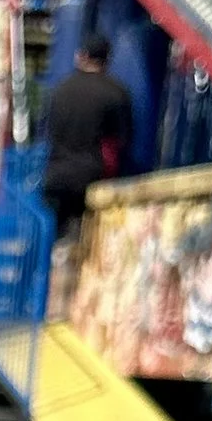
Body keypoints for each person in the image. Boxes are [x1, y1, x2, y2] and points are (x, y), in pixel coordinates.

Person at [41, 32, 135, 305]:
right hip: (93, 180)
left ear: (80, 56)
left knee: (53, 243)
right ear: (107, 60)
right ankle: (75, 303)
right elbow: (121, 141)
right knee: (89, 246)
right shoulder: (116, 94)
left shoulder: (58, 92)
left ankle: (48, 302)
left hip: (56, 175)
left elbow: (45, 132)